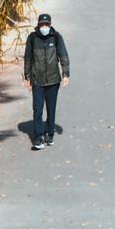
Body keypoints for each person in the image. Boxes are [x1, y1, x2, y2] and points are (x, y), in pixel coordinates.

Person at [23, 11, 70, 149]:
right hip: (37, 81)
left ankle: (49, 134)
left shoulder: (56, 37)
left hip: (53, 81)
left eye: (46, 24)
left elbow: (63, 55)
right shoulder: (32, 38)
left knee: (51, 108)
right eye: (42, 24)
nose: (44, 27)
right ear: (38, 25)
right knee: (37, 109)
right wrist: (27, 77)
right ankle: (38, 137)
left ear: (50, 25)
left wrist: (65, 74)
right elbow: (28, 59)